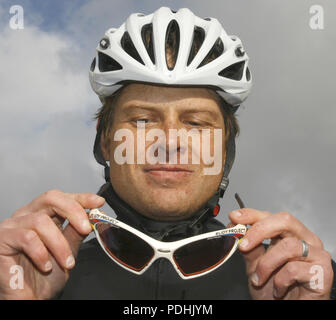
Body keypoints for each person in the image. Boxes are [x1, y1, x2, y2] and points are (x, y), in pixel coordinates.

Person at [0, 7, 335, 300]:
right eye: (143, 120)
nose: (170, 141)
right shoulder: (24, 274)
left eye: (196, 123)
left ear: (225, 149)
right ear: (105, 142)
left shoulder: (299, 280)